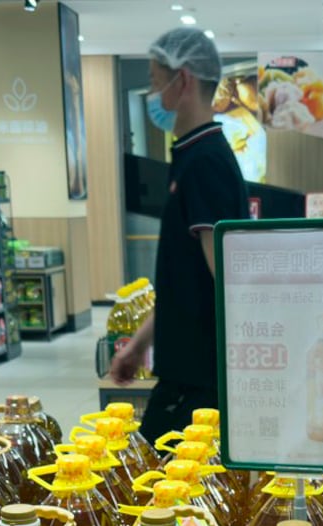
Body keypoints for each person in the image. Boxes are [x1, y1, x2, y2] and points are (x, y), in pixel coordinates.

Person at [108, 28, 247, 442]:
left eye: (154, 81)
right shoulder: (192, 155)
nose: (155, 94)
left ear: (182, 79)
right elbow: (185, 284)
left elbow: (227, 281)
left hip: (197, 381)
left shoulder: (205, 162)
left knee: (168, 494)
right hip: (185, 373)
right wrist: (138, 346)